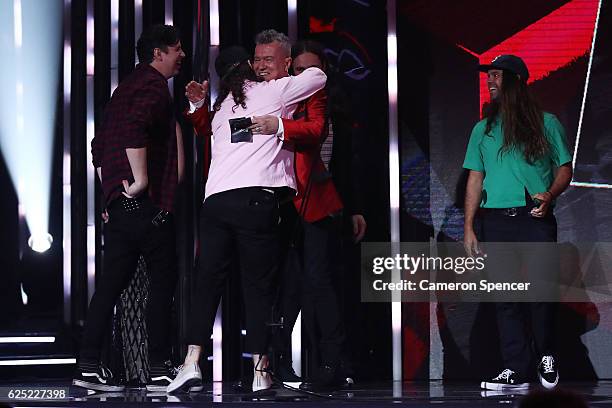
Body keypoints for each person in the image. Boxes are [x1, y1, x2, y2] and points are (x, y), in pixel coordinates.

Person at [167, 45, 326, 393]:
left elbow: (228, 138)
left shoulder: (224, 106)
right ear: (251, 67)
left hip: (215, 202)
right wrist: (282, 103)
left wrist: (197, 106)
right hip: (255, 200)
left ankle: (191, 361)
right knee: (257, 287)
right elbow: (318, 75)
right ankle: (259, 371)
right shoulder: (273, 90)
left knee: (207, 284)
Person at [73, 24, 186, 392]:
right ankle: (156, 367)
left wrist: (112, 195)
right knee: (162, 282)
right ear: (159, 53)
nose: (181, 55)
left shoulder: (122, 90)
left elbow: (98, 145)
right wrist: (137, 182)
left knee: (109, 286)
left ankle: (88, 366)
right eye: (177, 49)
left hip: (122, 208)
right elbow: (135, 129)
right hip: (148, 205)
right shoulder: (153, 87)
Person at [249, 36, 366, 389]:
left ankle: (334, 362)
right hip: (281, 205)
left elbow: (344, 163)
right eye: (298, 70)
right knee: (286, 288)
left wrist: (354, 207)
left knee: (321, 281)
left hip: (319, 204)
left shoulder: (327, 107)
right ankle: (277, 363)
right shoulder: (276, 101)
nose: (305, 76)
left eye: (311, 69)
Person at [462, 55, 572, 390]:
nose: (490, 81)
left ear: (516, 81)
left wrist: (550, 194)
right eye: (488, 76)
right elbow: (475, 177)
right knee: (506, 297)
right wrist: (469, 226)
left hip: (533, 219)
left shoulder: (546, 122)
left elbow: (564, 168)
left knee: (540, 294)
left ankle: (546, 355)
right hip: (495, 221)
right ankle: (515, 369)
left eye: (496, 75)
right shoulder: (483, 129)